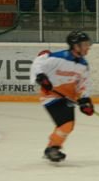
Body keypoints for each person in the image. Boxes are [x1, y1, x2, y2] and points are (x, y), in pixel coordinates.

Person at [30, 30, 95, 162]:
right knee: (66, 123)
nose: (88, 47)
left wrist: (85, 100)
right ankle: (52, 148)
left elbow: (83, 84)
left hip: (68, 98)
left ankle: (52, 147)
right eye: (84, 44)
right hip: (51, 96)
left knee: (67, 125)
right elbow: (38, 62)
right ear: (75, 46)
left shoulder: (83, 65)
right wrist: (41, 77)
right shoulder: (58, 58)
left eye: (88, 44)